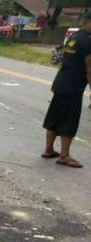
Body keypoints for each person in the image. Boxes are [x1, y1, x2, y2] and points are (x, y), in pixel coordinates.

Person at [42, 10, 91, 168]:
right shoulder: (87, 41)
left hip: (61, 83)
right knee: (69, 120)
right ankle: (64, 155)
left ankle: (49, 149)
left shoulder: (74, 37)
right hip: (73, 87)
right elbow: (90, 68)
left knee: (54, 117)